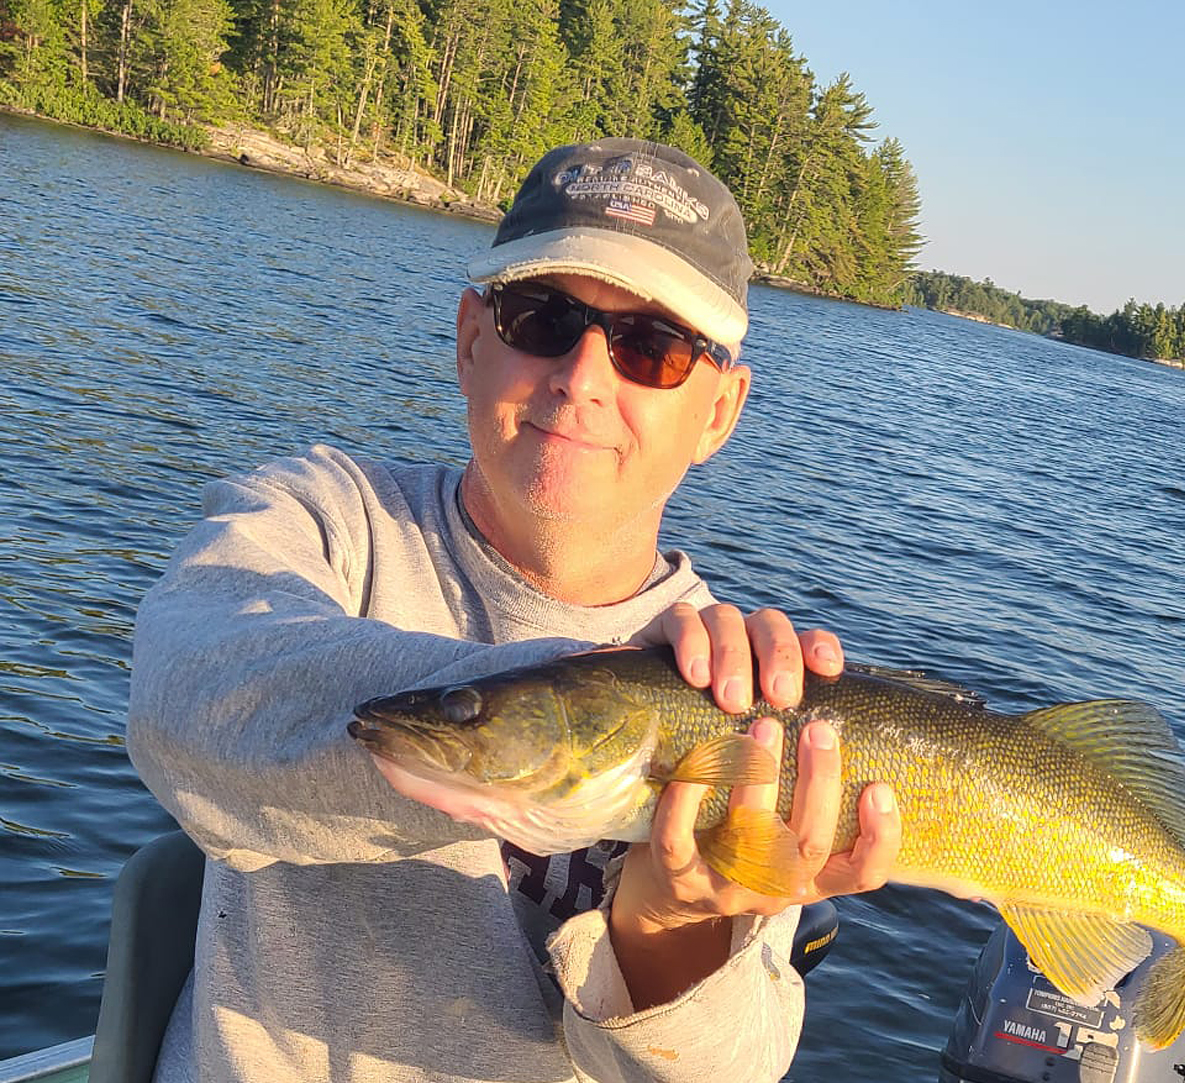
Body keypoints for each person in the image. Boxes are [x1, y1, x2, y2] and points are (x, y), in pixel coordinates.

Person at [126, 137, 902, 1083]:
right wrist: (558, 720)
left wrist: (665, 923)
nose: (583, 375)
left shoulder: (742, 690)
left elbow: (724, 1068)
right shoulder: (327, 516)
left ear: (718, 412)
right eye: (543, 317)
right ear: (469, 339)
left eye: (651, 348)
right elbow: (186, 700)